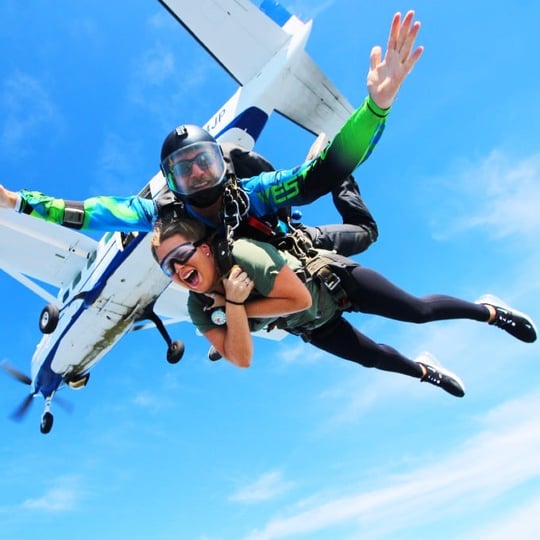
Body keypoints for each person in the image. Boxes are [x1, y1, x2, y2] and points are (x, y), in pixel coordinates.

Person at [0, 10, 422, 258]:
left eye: (205, 161)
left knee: (351, 220)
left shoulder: (255, 190)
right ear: (170, 184)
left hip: (284, 240)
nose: (199, 175)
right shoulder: (161, 215)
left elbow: (320, 179)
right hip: (269, 268)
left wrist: (374, 109)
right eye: (184, 171)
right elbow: (91, 212)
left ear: (223, 162)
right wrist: (18, 202)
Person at [150, 218, 537, 398]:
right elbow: (241, 357)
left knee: (419, 311)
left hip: (334, 282)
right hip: (314, 326)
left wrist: (237, 307)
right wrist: (232, 306)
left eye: (182, 255)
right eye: (169, 266)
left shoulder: (242, 254)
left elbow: (298, 296)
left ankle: (489, 311)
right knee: (375, 358)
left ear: (202, 249)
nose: (180, 269)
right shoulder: (197, 306)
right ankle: (425, 371)